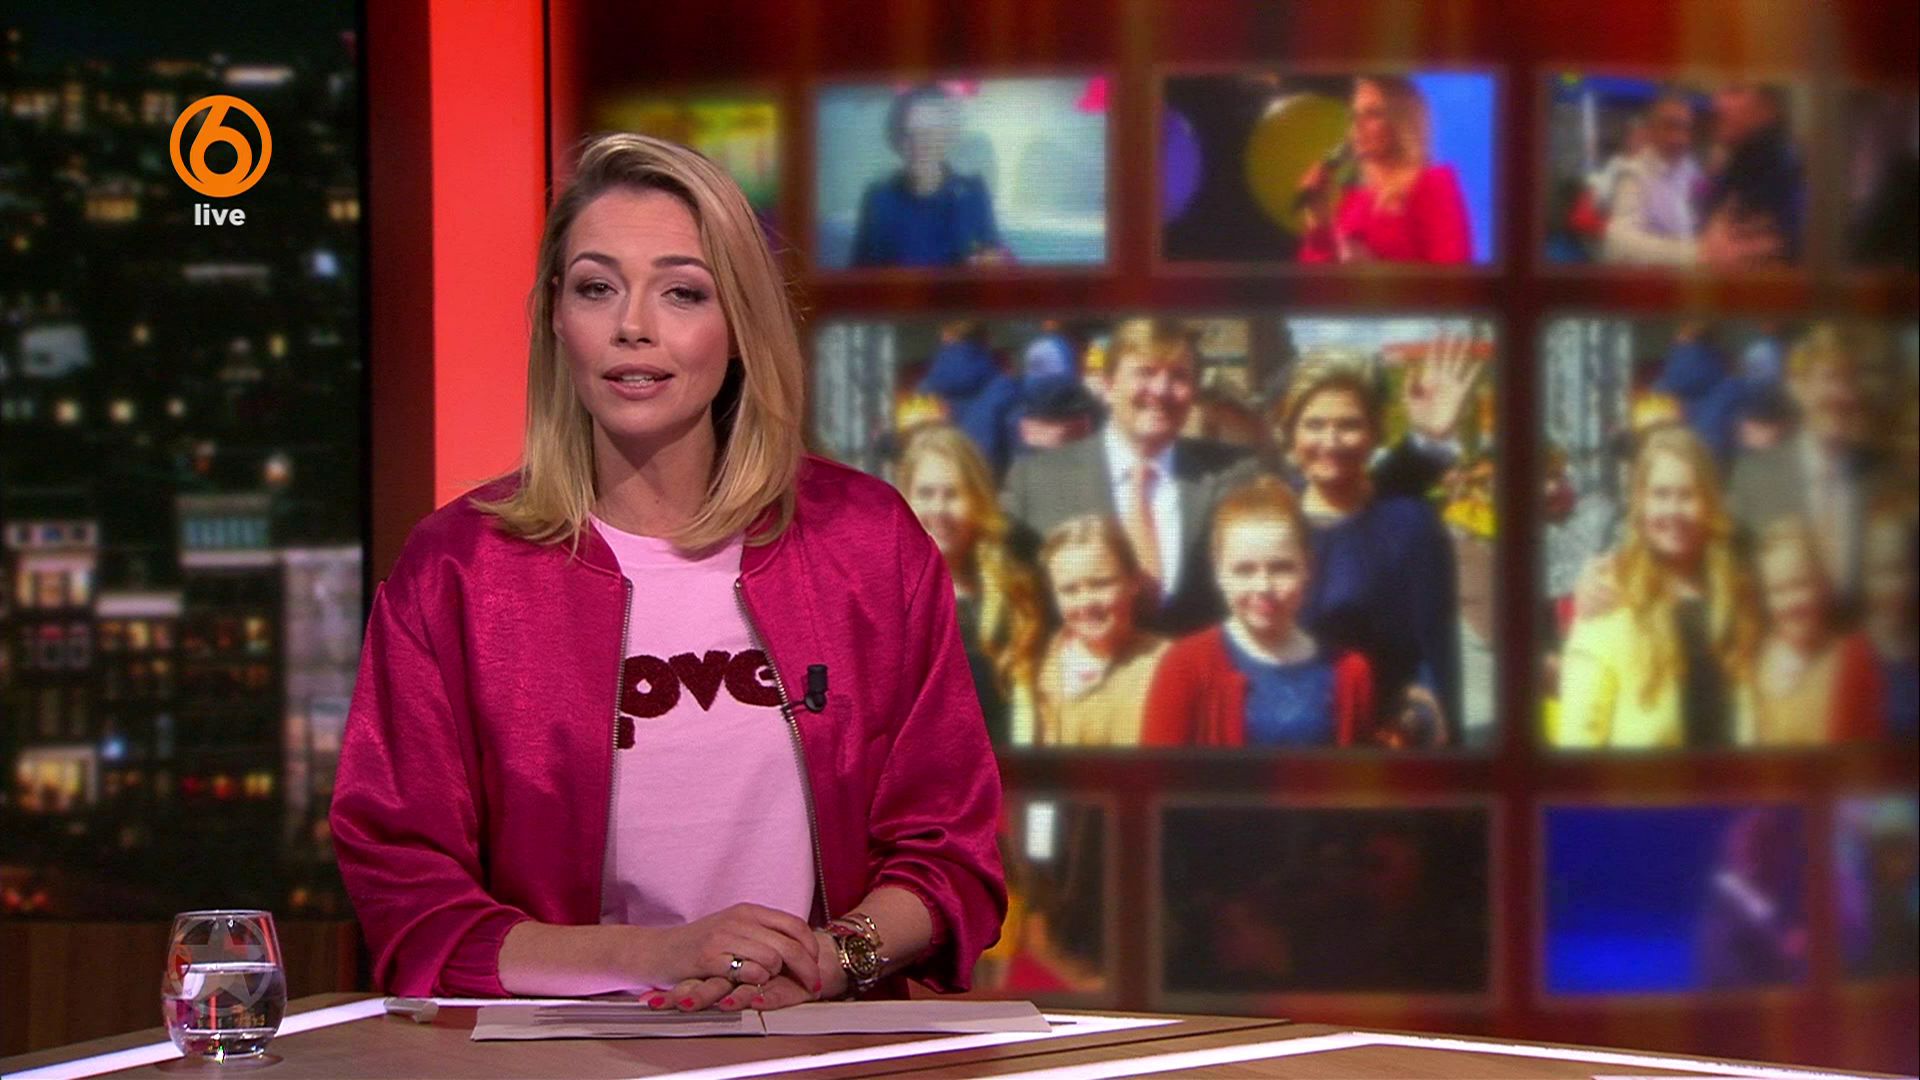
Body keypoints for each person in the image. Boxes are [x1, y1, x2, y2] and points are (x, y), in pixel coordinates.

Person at [330, 134, 1006, 1009]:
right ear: (556, 317)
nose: (633, 326)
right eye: (596, 288)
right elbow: (410, 896)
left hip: (816, 1041)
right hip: (562, 1056)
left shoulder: (865, 543)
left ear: (741, 327)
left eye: (682, 291)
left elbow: (949, 848)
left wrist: (830, 959)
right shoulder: (459, 570)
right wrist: (657, 955)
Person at [1000, 318, 1259, 637]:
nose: (1161, 390)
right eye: (1145, 372)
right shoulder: (1037, 482)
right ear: (1108, 385)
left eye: (1179, 376)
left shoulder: (1235, 475)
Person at [1271, 354, 1470, 746]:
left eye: (1349, 425)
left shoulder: (1409, 524)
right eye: (1314, 425)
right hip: (1278, 729)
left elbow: (1432, 653)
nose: (1330, 442)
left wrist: (1418, 719)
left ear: (1374, 433)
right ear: (1291, 432)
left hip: (1380, 735)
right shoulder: (1269, 517)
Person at [1555, 426, 1759, 749]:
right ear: (1641, 502)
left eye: (1687, 495)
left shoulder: (1736, 592)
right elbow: (1578, 738)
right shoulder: (1609, 595)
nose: (1673, 510)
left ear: (1709, 503)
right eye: (1661, 495)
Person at [1143, 477, 1373, 747]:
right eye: (1244, 570)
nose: (1263, 586)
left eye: (1281, 568)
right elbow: (1157, 770)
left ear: (1307, 567)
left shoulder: (1349, 672)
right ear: (1218, 571)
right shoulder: (1185, 666)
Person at [896, 424, 1045, 747]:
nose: (938, 510)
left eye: (953, 495)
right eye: (925, 494)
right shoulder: (879, 592)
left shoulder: (1013, 588)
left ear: (978, 500)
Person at [1731, 323, 1892, 609]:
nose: (1842, 395)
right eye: (1830, 377)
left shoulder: (1883, 479)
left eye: (1851, 380)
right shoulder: (1754, 478)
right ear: (1798, 386)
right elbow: (1735, 580)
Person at [1297, 75, 1472, 265]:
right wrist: (1319, 224)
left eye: (1373, 114)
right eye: (1354, 116)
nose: (1357, 125)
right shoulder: (1353, 202)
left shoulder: (1433, 184)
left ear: (1403, 122)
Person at [1743, 518, 1883, 746]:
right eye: (1777, 590)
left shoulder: (1853, 660)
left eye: (1800, 584)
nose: (1791, 603)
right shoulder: (1755, 661)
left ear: (1822, 585)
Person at [1033, 515, 1168, 747]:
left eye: (1101, 584)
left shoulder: (1167, 664)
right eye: (1069, 590)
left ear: (1134, 582)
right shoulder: (1034, 667)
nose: (1086, 602)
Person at [850, 84, 1010, 269]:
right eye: (910, 134)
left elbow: (993, 266)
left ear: (948, 136)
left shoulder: (974, 194)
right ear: (897, 140)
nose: (920, 144)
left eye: (930, 133)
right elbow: (861, 276)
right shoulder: (878, 199)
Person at [1701, 82, 1804, 265]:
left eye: (1734, 90)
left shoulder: (1792, 176)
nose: (1717, 103)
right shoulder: (1735, 167)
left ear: (1771, 105)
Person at [1601, 93, 1705, 266]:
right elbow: (1618, 242)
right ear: (1650, 131)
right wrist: (1695, 253)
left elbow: (1699, 204)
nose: (1680, 138)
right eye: (1670, 126)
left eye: (1685, 128)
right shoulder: (1634, 173)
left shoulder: (1689, 166)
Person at [914, 322, 1021, 478]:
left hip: (933, 484)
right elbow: (1017, 451)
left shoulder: (923, 393)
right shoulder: (1005, 389)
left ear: (945, 337)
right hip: (985, 483)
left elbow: (909, 446)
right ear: (988, 339)